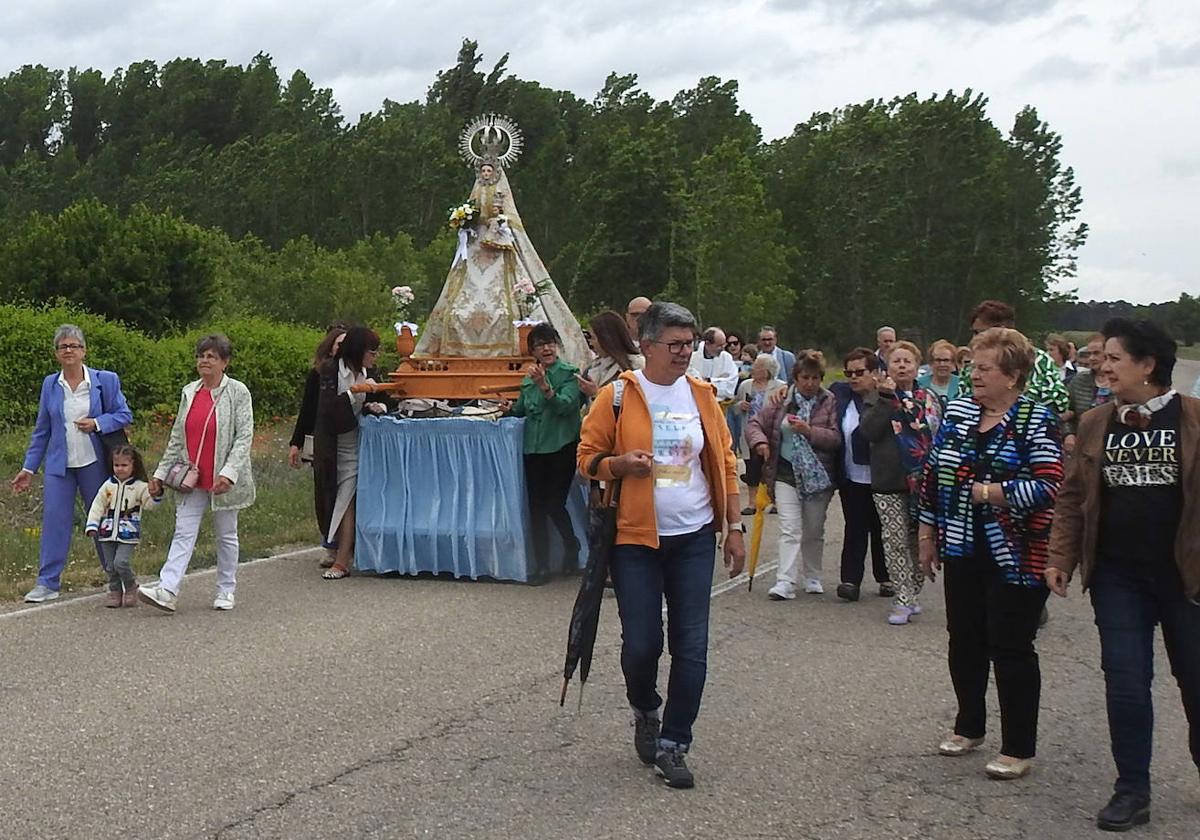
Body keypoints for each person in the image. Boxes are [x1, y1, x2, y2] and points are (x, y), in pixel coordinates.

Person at [577, 301, 745, 790]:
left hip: (693, 537)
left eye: (689, 344)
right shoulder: (616, 397)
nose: (684, 352)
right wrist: (619, 466)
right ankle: (645, 709)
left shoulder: (703, 396)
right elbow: (586, 459)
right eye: (674, 344)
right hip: (634, 540)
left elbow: (725, 462)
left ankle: (674, 743)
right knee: (642, 644)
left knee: (691, 647)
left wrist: (733, 527)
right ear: (646, 346)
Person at [1045, 318, 1200, 831]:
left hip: (1187, 578)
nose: (1102, 366)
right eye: (1100, 357)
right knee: (1127, 684)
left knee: (1195, 683)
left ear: (1148, 365)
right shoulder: (1094, 422)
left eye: (1113, 358)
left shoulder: (1195, 418)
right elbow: (1072, 497)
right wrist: (1061, 558)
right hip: (1118, 578)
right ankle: (1132, 789)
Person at [918, 327, 1063, 781]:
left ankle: (1019, 746)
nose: (974, 376)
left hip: (1018, 555)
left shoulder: (1035, 419)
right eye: (971, 367)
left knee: (1011, 646)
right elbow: (933, 472)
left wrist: (991, 492)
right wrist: (927, 531)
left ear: (1014, 374)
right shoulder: (959, 412)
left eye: (984, 369)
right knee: (964, 638)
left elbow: (1049, 485)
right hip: (961, 544)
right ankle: (969, 726)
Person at [414, 138, 589, 368]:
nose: (486, 174)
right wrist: (466, 220)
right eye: (483, 170)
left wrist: (500, 222)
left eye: (489, 170)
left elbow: (511, 217)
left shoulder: (501, 193)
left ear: (496, 173)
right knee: (456, 305)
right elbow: (472, 209)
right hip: (476, 244)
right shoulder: (477, 192)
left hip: (500, 243)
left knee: (511, 304)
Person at [10, 324, 133, 603]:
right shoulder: (50, 384)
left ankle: (115, 579)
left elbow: (124, 414)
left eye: (74, 346)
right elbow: (42, 430)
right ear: (56, 353)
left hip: (94, 462)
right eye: (63, 346)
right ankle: (47, 583)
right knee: (55, 521)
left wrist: (98, 423)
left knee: (102, 520)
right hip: (59, 466)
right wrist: (29, 468)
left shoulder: (105, 380)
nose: (69, 350)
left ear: (84, 351)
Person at [139, 335, 256, 613]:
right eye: (201, 356)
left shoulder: (238, 392)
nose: (204, 361)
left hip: (222, 481)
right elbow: (177, 437)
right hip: (191, 477)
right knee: (183, 532)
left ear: (225, 363)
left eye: (212, 356)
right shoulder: (190, 391)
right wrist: (160, 473)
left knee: (226, 535)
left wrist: (229, 473)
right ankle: (167, 589)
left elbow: (244, 437)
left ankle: (226, 589)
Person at [747, 351, 840, 599]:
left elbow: (834, 438)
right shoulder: (781, 400)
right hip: (785, 473)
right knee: (789, 528)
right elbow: (755, 423)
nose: (810, 383)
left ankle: (812, 575)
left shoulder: (829, 401)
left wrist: (809, 431)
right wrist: (760, 443)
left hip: (817, 476)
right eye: (804, 378)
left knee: (813, 530)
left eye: (814, 378)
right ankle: (785, 581)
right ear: (795, 379)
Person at [859, 340, 940, 624]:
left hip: (922, 481)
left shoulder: (929, 398)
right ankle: (903, 598)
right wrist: (885, 399)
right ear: (887, 366)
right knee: (894, 541)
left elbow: (939, 435)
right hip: (888, 480)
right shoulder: (876, 397)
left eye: (907, 361)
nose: (902, 365)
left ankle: (913, 591)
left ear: (918, 367)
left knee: (920, 541)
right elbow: (867, 431)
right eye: (896, 361)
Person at [500, 323, 584, 582]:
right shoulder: (529, 378)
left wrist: (546, 387)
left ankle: (572, 546)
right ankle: (542, 565)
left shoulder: (570, 374)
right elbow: (524, 409)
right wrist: (509, 408)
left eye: (550, 342)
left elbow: (566, 407)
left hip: (561, 446)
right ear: (533, 351)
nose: (546, 348)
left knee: (554, 504)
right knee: (535, 507)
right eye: (539, 345)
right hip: (534, 448)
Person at [314, 327, 389, 581]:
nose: (375, 356)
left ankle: (343, 559)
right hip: (336, 444)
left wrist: (377, 404)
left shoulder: (371, 372)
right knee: (338, 498)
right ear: (359, 350)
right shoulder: (331, 370)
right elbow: (326, 410)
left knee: (349, 499)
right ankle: (337, 550)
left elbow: (386, 397)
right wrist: (354, 392)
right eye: (372, 351)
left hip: (362, 442)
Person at [830, 348, 891, 602]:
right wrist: (783, 391)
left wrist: (883, 393)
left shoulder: (886, 396)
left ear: (875, 373)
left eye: (860, 372)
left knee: (880, 528)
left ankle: (885, 577)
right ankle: (850, 580)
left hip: (881, 475)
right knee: (855, 527)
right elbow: (807, 389)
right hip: (851, 475)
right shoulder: (840, 393)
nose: (854, 378)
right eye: (849, 373)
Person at [288, 325, 347, 567]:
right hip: (322, 441)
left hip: (349, 441)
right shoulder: (318, 374)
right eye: (338, 343)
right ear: (330, 346)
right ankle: (329, 544)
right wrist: (296, 442)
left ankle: (346, 545)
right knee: (325, 492)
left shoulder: (360, 371)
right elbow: (307, 409)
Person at [956, 301, 1069, 416]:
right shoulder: (972, 361)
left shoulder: (1039, 359)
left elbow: (1060, 400)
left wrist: (1010, 394)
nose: (975, 338)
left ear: (1002, 329)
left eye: (980, 332)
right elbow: (961, 398)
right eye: (974, 332)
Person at [84, 444, 161, 608]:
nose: (120, 469)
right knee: (110, 566)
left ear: (134, 465)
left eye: (124, 465)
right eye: (116, 465)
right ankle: (115, 590)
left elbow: (150, 505)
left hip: (128, 533)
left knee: (121, 562)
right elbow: (97, 506)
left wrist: (155, 495)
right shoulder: (107, 486)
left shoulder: (140, 487)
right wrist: (92, 525)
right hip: (106, 532)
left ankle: (131, 586)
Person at [734, 353, 785, 512]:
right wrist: (740, 405)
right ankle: (752, 503)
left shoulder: (780, 386)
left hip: (771, 432)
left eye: (757, 366)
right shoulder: (746, 385)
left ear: (767, 370)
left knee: (772, 467)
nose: (753, 368)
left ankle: (775, 502)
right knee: (752, 468)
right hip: (748, 431)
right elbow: (735, 406)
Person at [577, 310, 644, 402]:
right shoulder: (593, 367)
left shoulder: (637, 365)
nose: (591, 343)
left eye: (593, 338)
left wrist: (596, 394)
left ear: (605, 339)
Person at [1063, 332, 1109, 455]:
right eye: (1089, 354)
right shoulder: (1079, 380)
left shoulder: (1120, 382)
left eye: (1096, 353)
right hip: (1082, 448)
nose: (1091, 358)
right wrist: (1068, 434)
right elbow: (1066, 412)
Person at [687, 327, 738, 401]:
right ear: (707, 343)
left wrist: (708, 381)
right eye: (719, 346)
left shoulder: (726, 358)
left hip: (719, 404)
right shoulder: (692, 358)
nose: (722, 348)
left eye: (724, 345)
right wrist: (719, 381)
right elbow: (691, 384)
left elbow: (731, 385)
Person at [917, 339, 961, 409]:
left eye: (946, 360)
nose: (942, 364)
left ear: (953, 363)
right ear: (931, 363)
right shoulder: (919, 383)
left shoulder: (961, 384)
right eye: (938, 360)